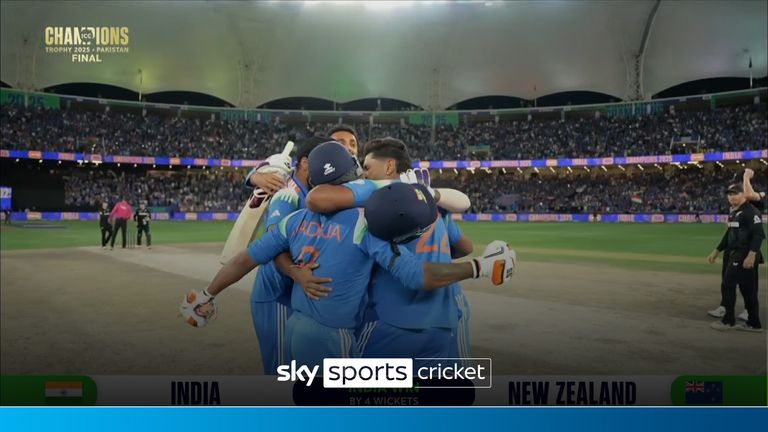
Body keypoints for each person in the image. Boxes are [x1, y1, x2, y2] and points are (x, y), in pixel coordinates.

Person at [180, 142, 516, 369]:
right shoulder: (366, 223)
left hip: (296, 326)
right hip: (336, 336)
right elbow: (417, 274)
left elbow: (245, 259)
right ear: (351, 175)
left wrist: (207, 294)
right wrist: (480, 267)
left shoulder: (294, 221)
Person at [305, 137, 477, 363]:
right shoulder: (431, 204)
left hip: (392, 318)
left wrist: (385, 185)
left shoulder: (375, 195)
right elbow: (465, 246)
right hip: (442, 320)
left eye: (368, 167)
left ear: (388, 167)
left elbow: (316, 198)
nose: (364, 174)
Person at [707, 169, 765, 321]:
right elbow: (730, 229)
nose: (732, 195)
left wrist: (746, 176)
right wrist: (718, 248)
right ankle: (725, 306)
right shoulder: (734, 207)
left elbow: (758, 234)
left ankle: (748, 312)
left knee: (749, 283)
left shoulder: (754, 198)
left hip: (747, 248)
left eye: (737, 189)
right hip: (732, 247)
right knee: (727, 279)